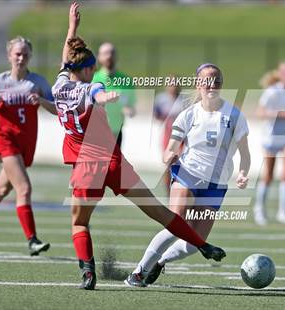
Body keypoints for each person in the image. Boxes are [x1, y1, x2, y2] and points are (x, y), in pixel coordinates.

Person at [53, 3, 225, 290]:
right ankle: (202, 244)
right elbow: (93, 90)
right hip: (111, 160)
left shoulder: (59, 86)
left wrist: (72, 29)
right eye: (93, 69)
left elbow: (67, 61)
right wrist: (103, 94)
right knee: (158, 210)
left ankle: (87, 272)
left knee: (80, 223)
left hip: (86, 166)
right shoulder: (89, 88)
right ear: (87, 69)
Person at [128, 63, 250, 287]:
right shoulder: (188, 115)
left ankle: (161, 261)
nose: (212, 84)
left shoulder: (235, 115)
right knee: (176, 224)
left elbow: (245, 153)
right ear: (198, 84)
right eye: (206, 80)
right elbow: (170, 148)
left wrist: (243, 173)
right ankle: (138, 272)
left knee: (195, 242)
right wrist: (168, 157)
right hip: (188, 174)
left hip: (217, 184)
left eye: (216, 80)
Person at [0, 36, 56, 256]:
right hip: (5, 139)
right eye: (17, 53)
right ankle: (32, 240)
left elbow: (57, 109)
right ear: (9, 56)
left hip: (25, 142)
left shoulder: (37, 82)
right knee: (24, 188)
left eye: (25, 54)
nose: (21, 57)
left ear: (30, 57)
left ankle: (32, 239)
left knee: (0, 190)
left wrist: (42, 101)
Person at [253, 62, 285, 225]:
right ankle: (259, 210)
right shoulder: (272, 91)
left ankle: (283, 212)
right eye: (284, 72)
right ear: (279, 74)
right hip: (271, 138)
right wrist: (278, 114)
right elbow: (259, 112)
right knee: (268, 176)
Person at [92, 42, 136, 147]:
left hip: (116, 133)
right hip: (95, 133)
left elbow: (132, 108)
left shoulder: (126, 80)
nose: (109, 56)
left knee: (114, 164)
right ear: (99, 57)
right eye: (105, 53)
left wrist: (129, 110)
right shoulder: (93, 79)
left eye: (112, 53)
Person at [153, 80, 186, 193]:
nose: (173, 87)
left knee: (181, 165)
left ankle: (181, 192)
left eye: (175, 84)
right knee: (168, 164)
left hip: (182, 138)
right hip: (167, 135)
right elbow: (156, 114)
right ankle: (169, 193)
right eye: (171, 84)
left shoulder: (184, 101)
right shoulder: (161, 99)